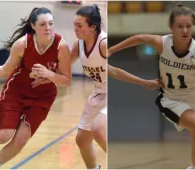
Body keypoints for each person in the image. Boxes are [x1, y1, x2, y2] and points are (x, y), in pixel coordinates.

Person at [108, 3, 195, 169]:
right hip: (171, 100)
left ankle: (194, 168)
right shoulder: (162, 43)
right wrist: (111, 50)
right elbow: (139, 38)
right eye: (180, 26)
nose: (185, 31)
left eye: (188, 26)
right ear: (171, 27)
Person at [0, 7, 71, 169]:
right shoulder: (22, 44)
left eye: (51, 24)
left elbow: (66, 80)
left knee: (20, 140)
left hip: (43, 97)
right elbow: (5, 70)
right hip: (16, 92)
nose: (48, 28)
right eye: (43, 24)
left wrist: (48, 74)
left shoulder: (61, 47)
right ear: (33, 26)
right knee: (3, 136)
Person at [70, 4, 106, 169]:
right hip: (99, 93)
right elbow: (63, 67)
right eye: (74, 25)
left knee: (98, 129)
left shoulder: (104, 44)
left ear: (93, 27)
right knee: (82, 139)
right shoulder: (79, 45)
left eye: (79, 26)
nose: (75, 29)